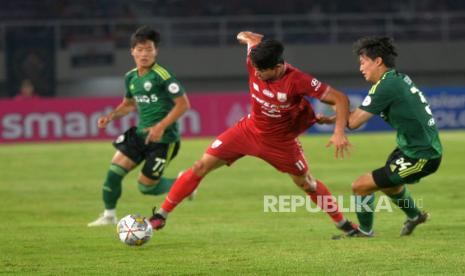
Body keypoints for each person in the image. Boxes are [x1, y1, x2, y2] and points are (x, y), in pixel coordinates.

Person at [148, 31, 358, 235]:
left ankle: (344, 225)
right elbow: (248, 35)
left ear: (277, 67)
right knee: (200, 165)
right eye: (255, 68)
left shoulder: (298, 80)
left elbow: (339, 98)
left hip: (281, 143)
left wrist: (338, 132)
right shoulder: (255, 59)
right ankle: (161, 215)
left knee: (307, 184)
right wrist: (246, 38)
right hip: (248, 130)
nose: (256, 73)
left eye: (261, 71)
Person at [329, 36, 442, 238]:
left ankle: (364, 232)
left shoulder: (385, 86)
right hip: (409, 149)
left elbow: (353, 123)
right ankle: (416, 216)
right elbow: (356, 116)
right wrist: (332, 119)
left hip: (421, 156)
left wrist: (334, 101)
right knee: (391, 187)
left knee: (360, 186)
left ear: (378, 61)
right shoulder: (395, 79)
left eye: (363, 62)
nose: (360, 68)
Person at [88, 26, 191, 227]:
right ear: (132, 51)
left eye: (149, 50)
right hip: (140, 134)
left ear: (156, 52)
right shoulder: (131, 77)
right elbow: (128, 105)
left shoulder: (162, 76)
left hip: (164, 139)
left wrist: (160, 126)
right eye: (140, 50)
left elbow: (183, 104)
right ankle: (109, 216)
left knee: (146, 188)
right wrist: (111, 116)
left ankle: (183, 183)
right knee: (113, 172)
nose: (144, 54)